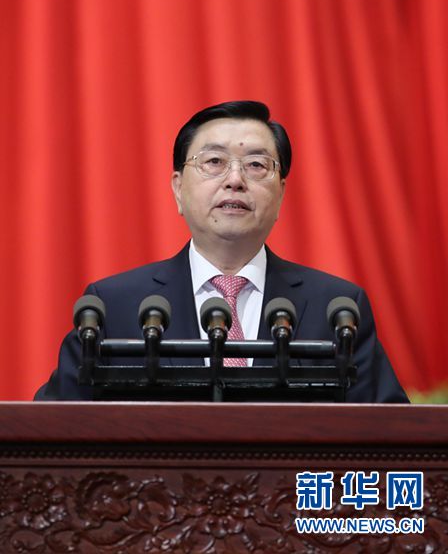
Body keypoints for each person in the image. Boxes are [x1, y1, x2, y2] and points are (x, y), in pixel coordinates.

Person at [35, 100, 408, 402]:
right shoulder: (114, 306)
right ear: (178, 189)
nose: (235, 179)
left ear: (281, 193)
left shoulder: (338, 309)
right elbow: (52, 431)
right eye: (214, 162)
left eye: (256, 165)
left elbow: (390, 441)